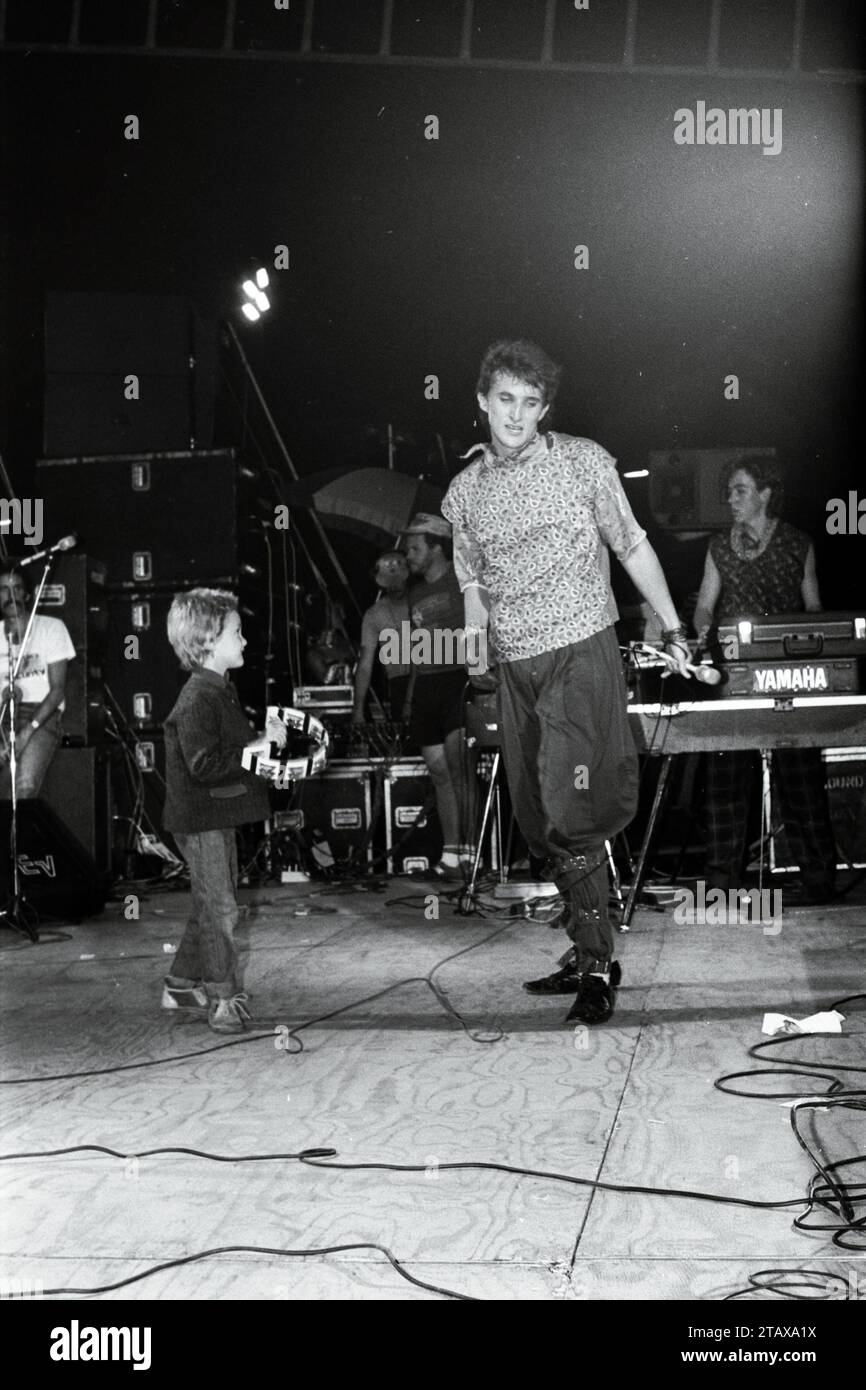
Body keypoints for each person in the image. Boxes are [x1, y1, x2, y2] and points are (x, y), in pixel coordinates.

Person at [441, 339, 689, 1024]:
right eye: (504, 400)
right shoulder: (464, 494)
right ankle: (586, 947)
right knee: (536, 816)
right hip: (515, 663)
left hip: (581, 650)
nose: (515, 415)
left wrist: (670, 625)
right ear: (482, 402)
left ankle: (598, 961)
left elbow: (632, 544)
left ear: (544, 407)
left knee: (572, 806)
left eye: (529, 403)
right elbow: (471, 584)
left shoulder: (584, 462)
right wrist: (475, 652)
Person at [692, 456, 837, 903]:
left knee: (800, 774)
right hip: (735, 672)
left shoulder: (798, 543)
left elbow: (814, 608)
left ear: (765, 494)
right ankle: (722, 880)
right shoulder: (718, 547)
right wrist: (699, 627)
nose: (731, 498)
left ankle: (818, 877)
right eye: (730, 491)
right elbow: (706, 604)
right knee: (727, 771)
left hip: (790, 673)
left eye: (740, 490)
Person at [161, 588, 285, 1034]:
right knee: (221, 910)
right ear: (209, 640)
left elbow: (232, 752)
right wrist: (259, 750)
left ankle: (179, 984)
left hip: (211, 817)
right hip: (202, 820)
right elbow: (205, 766)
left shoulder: (219, 691)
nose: (245, 641)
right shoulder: (199, 698)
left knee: (209, 904)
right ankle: (222, 999)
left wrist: (262, 745)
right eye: (237, 632)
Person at [401, 514, 477, 880]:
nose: (408, 557)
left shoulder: (460, 581)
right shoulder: (414, 592)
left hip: (457, 681)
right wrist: (411, 694)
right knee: (439, 770)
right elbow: (416, 647)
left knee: (459, 766)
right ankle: (451, 854)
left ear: (436, 548)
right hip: (428, 687)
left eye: (415, 549)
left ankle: (473, 853)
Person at [0, 564, 75, 800]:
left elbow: (57, 691)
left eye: (17, 588)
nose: (11, 595)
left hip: (40, 716)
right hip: (3, 715)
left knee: (24, 786)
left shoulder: (52, 628)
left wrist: (25, 734)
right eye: (3, 589)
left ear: (27, 594)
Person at [352, 550, 413, 723]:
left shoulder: (421, 600)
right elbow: (365, 665)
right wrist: (357, 710)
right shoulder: (374, 614)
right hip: (398, 685)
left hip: (429, 678)